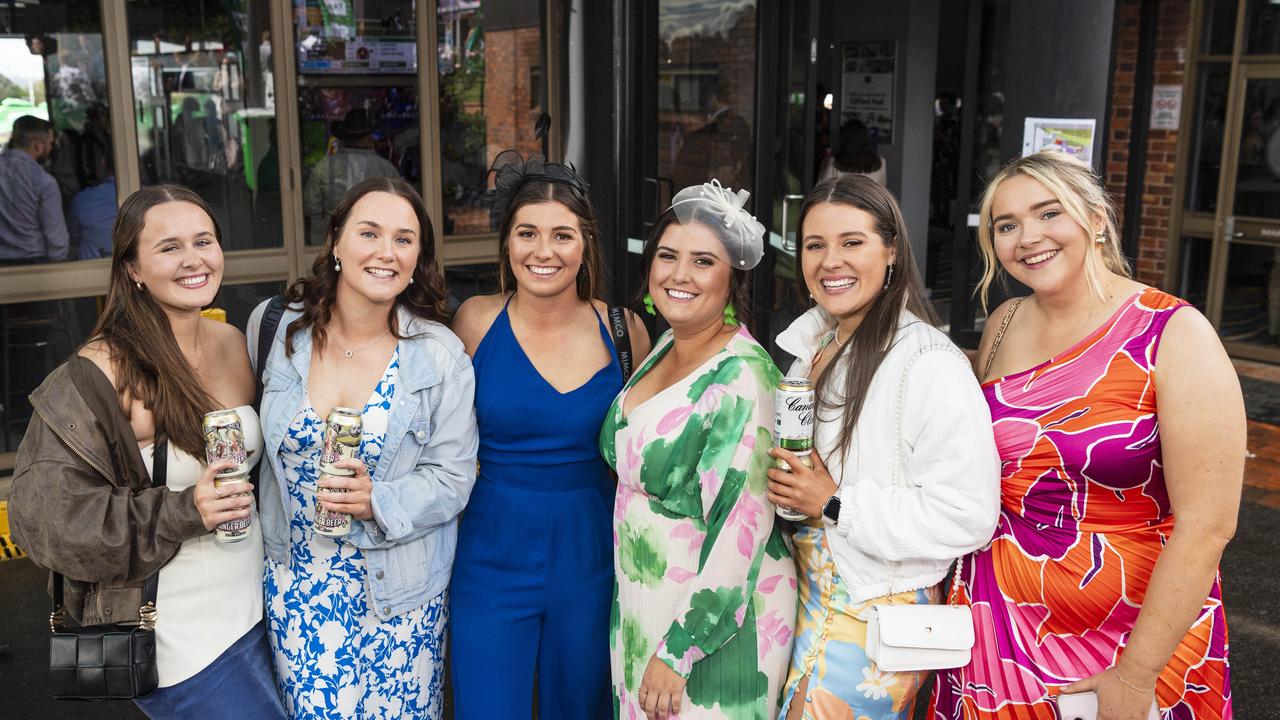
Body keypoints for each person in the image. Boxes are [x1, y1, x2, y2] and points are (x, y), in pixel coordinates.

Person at [929, 150, 1241, 720]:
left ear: (1097, 219)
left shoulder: (1175, 333)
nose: (1028, 237)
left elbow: (1209, 525)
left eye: (1049, 213)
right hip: (997, 628)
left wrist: (1135, 675)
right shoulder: (1003, 323)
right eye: (1007, 225)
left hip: (1134, 638)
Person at [8, 184, 286, 719]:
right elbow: (42, 520)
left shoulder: (234, 343)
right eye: (169, 247)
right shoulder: (103, 370)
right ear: (132, 268)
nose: (193, 259)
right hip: (178, 636)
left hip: (260, 613)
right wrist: (186, 510)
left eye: (204, 240)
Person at [766, 174, 1000, 719]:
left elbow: (968, 514)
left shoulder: (926, 361)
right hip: (808, 594)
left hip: (873, 609)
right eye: (815, 245)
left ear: (891, 249)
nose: (831, 261)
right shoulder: (816, 343)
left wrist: (834, 502)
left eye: (852, 242)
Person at [249, 176, 478, 719]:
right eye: (368, 233)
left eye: (404, 239)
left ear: (418, 255)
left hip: (398, 595)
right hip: (296, 586)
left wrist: (380, 499)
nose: (385, 252)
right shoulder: (275, 330)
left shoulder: (439, 355)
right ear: (335, 241)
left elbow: (454, 478)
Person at [448, 153, 650, 719]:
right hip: (490, 548)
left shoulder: (625, 329)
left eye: (562, 235)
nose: (544, 251)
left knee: (583, 709)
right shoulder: (474, 321)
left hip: (591, 552)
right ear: (507, 244)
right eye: (527, 233)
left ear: (585, 244)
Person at [600, 179, 797, 719]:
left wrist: (679, 651)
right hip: (648, 598)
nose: (679, 275)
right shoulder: (667, 341)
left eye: (703, 261)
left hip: (711, 622)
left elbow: (743, 526)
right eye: (667, 255)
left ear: (732, 278)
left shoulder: (744, 377)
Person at [304, 108, 402, 245]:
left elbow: (311, 207)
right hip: (375, 245)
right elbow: (399, 209)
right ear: (369, 138)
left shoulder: (324, 166)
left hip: (334, 245)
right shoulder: (385, 169)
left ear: (344, 138)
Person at [0, 115, 69, 263]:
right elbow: (56, 237)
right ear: (38, 145)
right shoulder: (44, 181)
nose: (51, 148)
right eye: (50, 143)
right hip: (34, 262)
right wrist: (59, 266)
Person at [817, 118, 887, 187]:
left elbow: (822, 189)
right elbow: (882, 189)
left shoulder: (834, 162)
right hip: (870, 198)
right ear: (866, 139)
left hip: (841, 198)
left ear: (843, 139)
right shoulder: (880, 162)